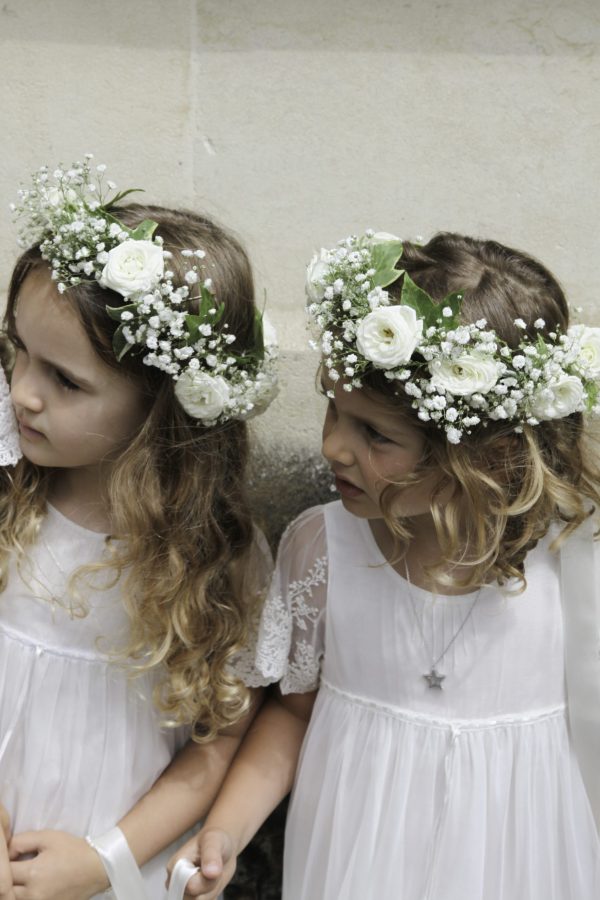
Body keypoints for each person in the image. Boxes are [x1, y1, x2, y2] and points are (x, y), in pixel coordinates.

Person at [168, 230, 600, 899]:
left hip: (515, 855)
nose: (334, 448)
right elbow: (293, 712)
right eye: (334, 411)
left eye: (375, 434)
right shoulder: (323, 548)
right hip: (355, 851)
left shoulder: (570, 558)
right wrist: (226, 828)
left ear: (486, 455)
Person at [0, 156, 278, 900]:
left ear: (161, 407)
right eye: (19, 352)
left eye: (65, 379)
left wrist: (105, 862)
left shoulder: (216, 557)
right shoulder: (7, 494)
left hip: (107, 862)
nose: (23, 393)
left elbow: (219, 741)